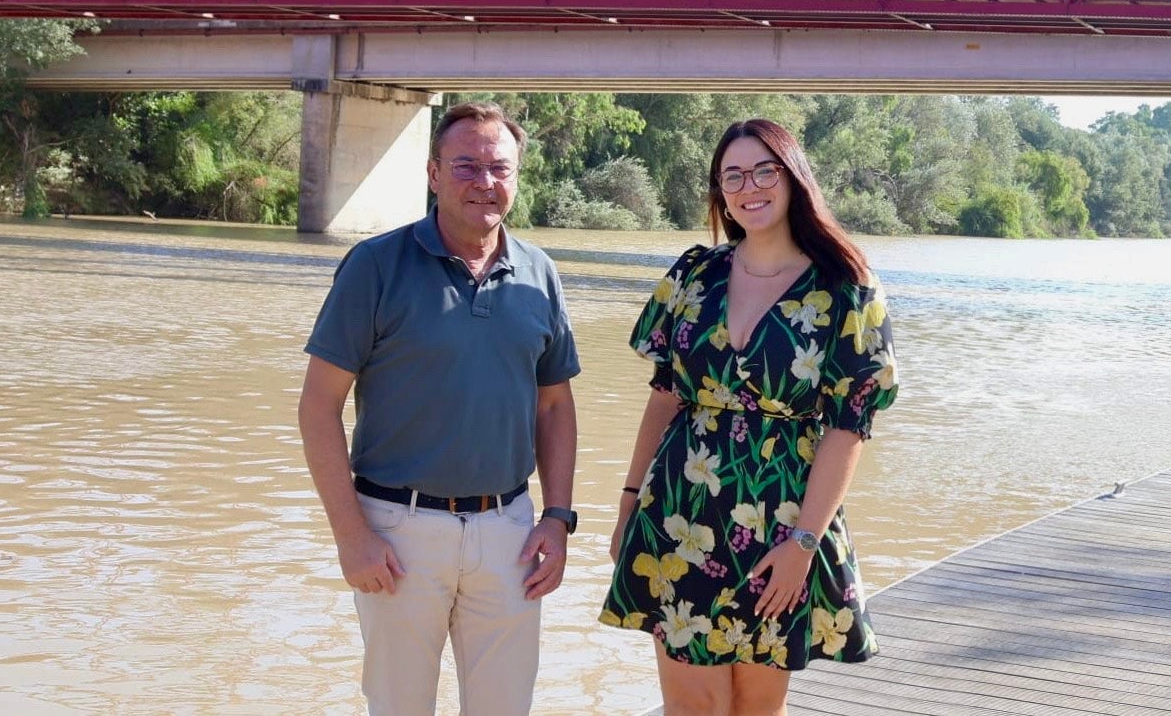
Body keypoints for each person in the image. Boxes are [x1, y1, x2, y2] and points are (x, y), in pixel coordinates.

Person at [600, 118, 898, 714]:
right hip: (679, 511)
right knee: (692, 706)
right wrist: (630, 503)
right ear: (719, 191)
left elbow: (849, 424)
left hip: (781, 518)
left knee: (755, 707)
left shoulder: (846, 288)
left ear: (793, 179)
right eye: (732, 175)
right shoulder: (693, 275)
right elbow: (665, 396)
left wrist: (804, 543)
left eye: (765, 170)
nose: (749, 186)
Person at [298, 101, 580, 716]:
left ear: (516, 177)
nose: (485, 182)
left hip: (510, 532)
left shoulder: (540, 273)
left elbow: (555, 406)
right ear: (432, 174)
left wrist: (557, 518)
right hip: (395, 531)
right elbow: (318, 408)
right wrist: (351, 535)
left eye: (499, 168)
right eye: (466, 165)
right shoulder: (374, 266)